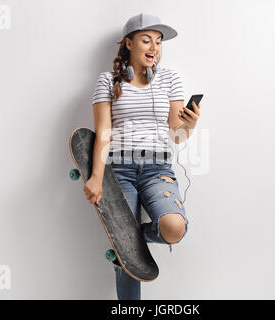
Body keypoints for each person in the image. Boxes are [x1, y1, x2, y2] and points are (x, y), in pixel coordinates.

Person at [85, 13, 201, 300]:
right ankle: (126, 253)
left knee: (174, 228)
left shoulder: (170, 79)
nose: (154, 47)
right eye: (147, 40)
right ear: (129, 43)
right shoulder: (106, 81)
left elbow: (176, 135)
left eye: (159, 42)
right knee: (128, 256)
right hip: (119, 169)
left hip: (157, 167)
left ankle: (127, 242)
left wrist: (191, 124)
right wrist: (96, 178)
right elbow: (103, 133)